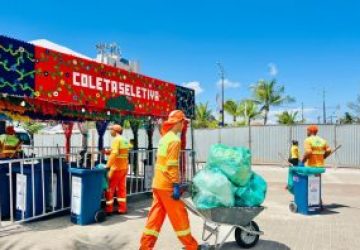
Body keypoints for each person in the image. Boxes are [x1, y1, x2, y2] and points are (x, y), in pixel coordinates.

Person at [140, 110, 198, 250]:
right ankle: (191, 246)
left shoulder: (164, 139)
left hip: (158, 183)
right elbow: (172, 165)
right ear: (178, 123)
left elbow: (161, 162)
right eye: (183, 122)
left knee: (155, 218)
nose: (184, 125)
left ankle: (145, 247)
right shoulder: (174, 140)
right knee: (180, 217)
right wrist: (176, 185)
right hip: (167, 186)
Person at [103, 124, 130, 215]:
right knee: (121, 188)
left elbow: (114, 154)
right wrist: (107, 152)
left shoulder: (116, 140)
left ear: (115, 131)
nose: (110, 131)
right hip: (124, 168)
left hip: (116, 168)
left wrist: (107, 166)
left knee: (109, 187)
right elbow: (120, 152)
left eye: (111, 129)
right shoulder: (125, 140)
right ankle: (122, 208)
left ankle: (109, 209)